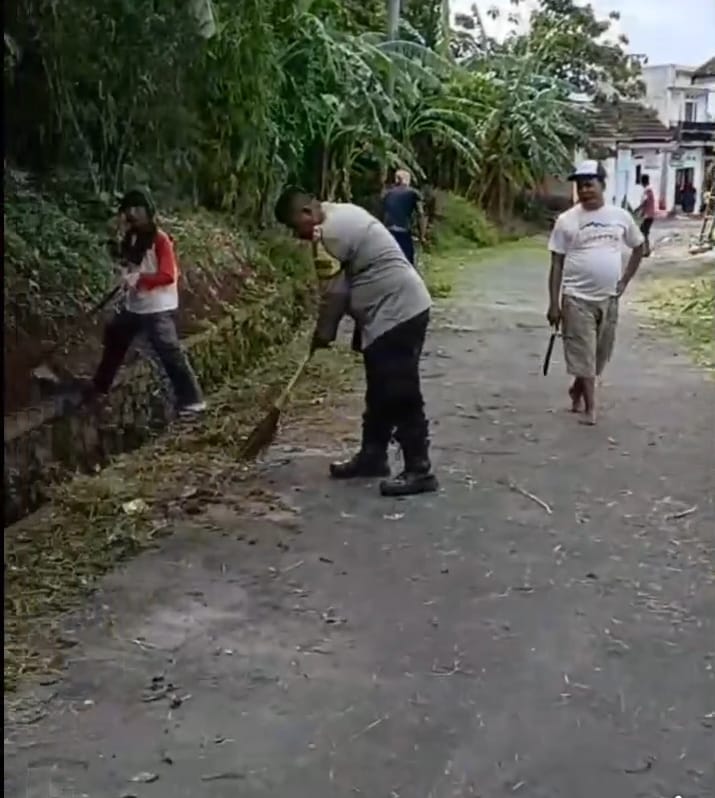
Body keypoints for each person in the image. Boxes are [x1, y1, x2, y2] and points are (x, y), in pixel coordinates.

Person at [274, 186, 438, 497]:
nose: (298, 236)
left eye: (296, 227)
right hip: (388, 312)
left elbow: (335, 294)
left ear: (307, 213)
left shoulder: (329, 235)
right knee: (379, 389)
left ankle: (420, 469)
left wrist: (324, 333)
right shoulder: (340, 212)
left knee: (400, 391)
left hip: (397, 312)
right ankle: (373, 456)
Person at [83, 189, 206, 416]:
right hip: (136, 304)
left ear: (148, 211)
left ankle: (192, 400)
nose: (133, 213)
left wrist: (140, 279)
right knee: (115, 337)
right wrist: (127, 278)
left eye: (138, 209)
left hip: (158, 307)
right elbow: (131, 265)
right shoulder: (131, 238)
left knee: (169, 352)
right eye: (129, 209)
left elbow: (167, 275)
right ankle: (100, 387)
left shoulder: (160, 240)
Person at [547, 160, 645, 425]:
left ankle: (577, 388)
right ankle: (591, 408)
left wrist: (625, 281)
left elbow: (639, 247)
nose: (585, 190)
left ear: (602, 185)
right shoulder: (566, 220)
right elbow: (556, 263)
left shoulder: (620, 217)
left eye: (589, 184)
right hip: (576, 298)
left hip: (609, 298)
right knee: (584, 353)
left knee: (599, 356)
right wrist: (554, 304)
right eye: (580, 186)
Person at [380, 169, 427, 267]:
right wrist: (422, 235)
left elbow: (382, 213)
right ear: (407, 180)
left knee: (390, 261)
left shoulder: (387, 193)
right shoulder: (413, 193)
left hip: (388, 231)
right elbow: (421, 214)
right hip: (403, 230)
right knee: (407, 262)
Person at [636, 174, 656, 257]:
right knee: (644, 232)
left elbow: (645, 201)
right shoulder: (649, 189)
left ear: (642, 182)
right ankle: (646, 250)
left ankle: (646, 250)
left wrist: (638, 209)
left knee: (643, 232)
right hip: (649, 215)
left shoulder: (647, 190)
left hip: (648, 216)